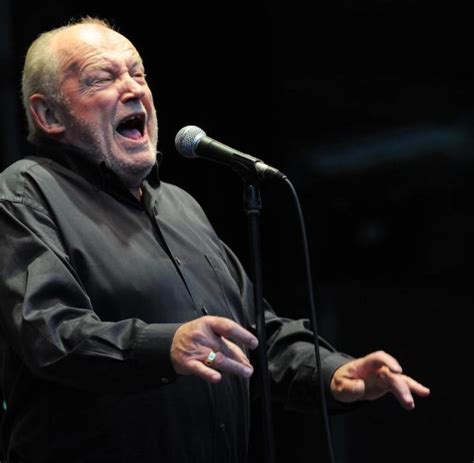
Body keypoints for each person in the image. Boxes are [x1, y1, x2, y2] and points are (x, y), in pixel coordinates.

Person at [0, 17, 429, 463]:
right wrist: (166, 346)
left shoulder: (180, 207)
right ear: (49, 115)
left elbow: (251, 335)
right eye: (102, 78)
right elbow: (50, 333)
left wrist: (331, 373)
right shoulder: (26, 192)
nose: (133, 89)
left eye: (138, 73)